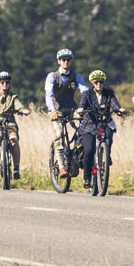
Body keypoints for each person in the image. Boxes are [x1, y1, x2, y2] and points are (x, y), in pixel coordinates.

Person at [44, 48, 90, 176]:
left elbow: (85, 91)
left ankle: (77, 154)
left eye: (68, 60)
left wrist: (87, 106)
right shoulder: (52, 76)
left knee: (85, 127)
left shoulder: (76, 76)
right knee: (59, 134)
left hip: (72, 109)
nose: (66, 62)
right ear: (59, 61)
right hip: (57, 110)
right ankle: (62, 167)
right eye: (63, 60)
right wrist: (52, 109)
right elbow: (49, 95)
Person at [75, 69, 123, 189]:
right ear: (92, 82)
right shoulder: (87, 94)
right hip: (89, 125)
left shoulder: (109, 93)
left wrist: (119, 110)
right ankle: (87, 178)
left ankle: (106, 155)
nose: (99, 85)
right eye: (96, 82)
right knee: (89, 149)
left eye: (101, 82)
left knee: (109, 135)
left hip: (105, 122)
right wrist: (81, 110)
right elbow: (82, 105)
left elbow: (115, 104)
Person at [0, 70, 29, 169]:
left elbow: (18, 104)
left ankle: (16, 167)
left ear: (10, 84)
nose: (5, 84)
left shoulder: (13, 96)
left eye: (7, 82)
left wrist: (23, 110)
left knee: (14, 141)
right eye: (2, 82)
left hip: (10, 124)